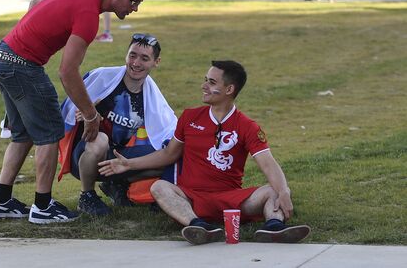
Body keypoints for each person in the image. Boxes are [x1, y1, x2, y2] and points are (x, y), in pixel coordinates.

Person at [0, 0, 148, 224]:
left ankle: (1, 200)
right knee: (49, 133)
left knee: (23, 134)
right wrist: (92, 115)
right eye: (133, 0)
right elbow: (67, 71)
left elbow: (35, 4)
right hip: (21, 65)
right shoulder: (88, 17)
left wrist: (29, 39)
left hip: (1, 55)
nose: (135, 8)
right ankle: (43, 206)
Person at [99, 60, 311, 245]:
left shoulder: (248, 126)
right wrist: (129, 164)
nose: (204, 86)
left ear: (229, 90)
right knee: (160, 187)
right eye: (206, 80)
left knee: (273, 189)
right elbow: (168, 155)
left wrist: (284, 192)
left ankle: (273, 228)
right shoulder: (190, 117)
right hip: (191, 199)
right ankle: (198, 226)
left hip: (231, 201)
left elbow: (267, 163)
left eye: (211, 82)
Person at [58, 33, 177, 216]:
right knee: (101, 139)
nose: (136, 63)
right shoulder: (103, 78)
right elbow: (69, 112)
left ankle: (117, 185)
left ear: (156, 62)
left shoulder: (153, 96)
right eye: (132, 55)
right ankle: (87, 196)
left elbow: (170, 135)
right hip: (84, 155)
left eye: (144, 58)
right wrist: (84, 114)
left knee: (169, 156)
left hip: (118, 158)